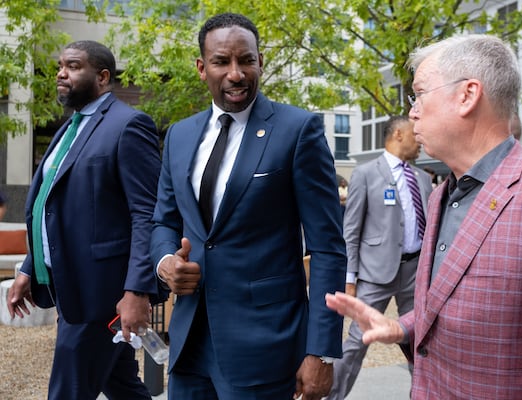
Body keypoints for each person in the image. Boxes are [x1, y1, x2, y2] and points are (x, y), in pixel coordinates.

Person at [326, 34, 522, 399]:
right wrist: (402, 328)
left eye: (419, 94)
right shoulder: (443, 194)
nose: (412, 112)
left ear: (467, 96)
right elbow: (454, 303)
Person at [150, 13, 346, 400]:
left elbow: (327, 247)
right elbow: (163, 221)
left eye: (247, 61)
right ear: (202, 68)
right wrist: (165, 264)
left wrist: (321, 350)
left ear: (261, 63)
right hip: (189, 342)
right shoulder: (179, 135)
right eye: (222, 62)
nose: (236, 73)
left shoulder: (298, 130)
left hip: (265, 345)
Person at [7, 40, 162, 400]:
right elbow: (51, 207)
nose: (62, 73)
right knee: (121, 385)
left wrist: (137, 290)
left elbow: (146, 214)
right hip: (69, 286)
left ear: (103, 77)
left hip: (102, 294)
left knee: (68, 391)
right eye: (60, 65)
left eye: (73, 66)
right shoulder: (69, 129)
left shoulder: (129, 125)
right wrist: (29, 268)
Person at [326, 115, 431, 400]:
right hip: (375, 273)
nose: (419, 139)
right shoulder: (366, 173)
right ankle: (332, 396)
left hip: (415, 271)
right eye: (413, 134)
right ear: (397, 133)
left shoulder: (423, 178)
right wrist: (350, 278)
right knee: (357, 342)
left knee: (419, 342)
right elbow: (351, 231)